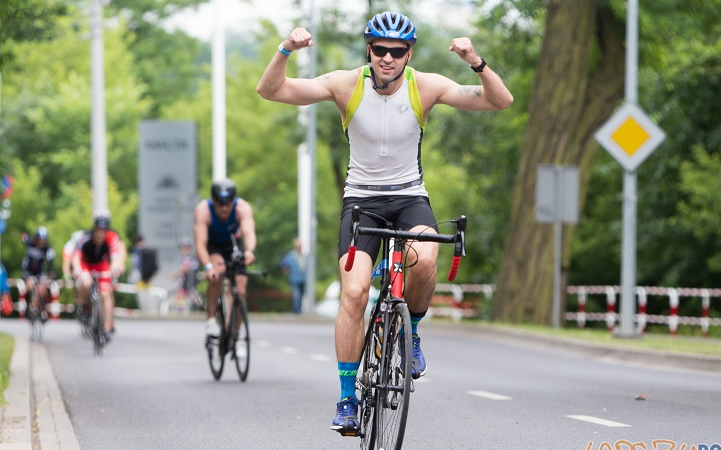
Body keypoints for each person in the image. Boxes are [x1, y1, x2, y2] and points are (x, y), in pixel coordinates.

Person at [256, 11, 513, 434]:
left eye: (397, 52)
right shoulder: (345, 84)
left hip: (410, 197)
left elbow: (500, 101)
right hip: (362, 202)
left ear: (409, 54)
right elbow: (271, 90)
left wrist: (475, 61)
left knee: (426, 259)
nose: (388, 59)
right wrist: (286, 49)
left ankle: (410, 333)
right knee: (354, 293)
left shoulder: (425, 85)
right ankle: (346, 398)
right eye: (380, 50)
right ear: (369, 50)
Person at [193, 178, 257, 343]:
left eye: (228, 203)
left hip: (234, 245)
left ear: (233, 201)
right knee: (217, 273)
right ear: (213, 200)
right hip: (213, 246)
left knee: (241, 290)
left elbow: (249, 233)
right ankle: (211, 319)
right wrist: (208, 267)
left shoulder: (242, 208)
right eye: (220, 203)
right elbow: (200, 244)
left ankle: (236, 335)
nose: (224, 208)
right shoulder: (203, 210)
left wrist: (249, 251)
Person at [72, 210, 127, 341]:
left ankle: (107, 327)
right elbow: (76, 258)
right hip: (86, 264)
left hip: (102, 264)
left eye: (104, 230)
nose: (101, 233)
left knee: (105, 293)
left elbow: (115, 257)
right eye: (98, 230)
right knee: (86, 284)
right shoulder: (85, 238)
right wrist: (79, 271)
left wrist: (115, 268)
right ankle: (84, 305)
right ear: (94, 228)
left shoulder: (112, 237)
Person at [21, 226, 56, 320]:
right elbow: (24, 237)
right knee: (29, 286)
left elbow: (51, 263)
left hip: (40, 271)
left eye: (43, 240)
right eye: (40, 239)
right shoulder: (30, 244)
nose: (41, 242)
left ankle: (42, 309)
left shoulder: (48, 249)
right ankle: (28, 306)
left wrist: (52, 274)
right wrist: (23, 235)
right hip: (28, 270)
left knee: (43, 289)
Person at [172, 237, 199, 313]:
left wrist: (176, 274)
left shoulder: (190, 258)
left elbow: (186, 268)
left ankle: (196, 309)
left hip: (190, 282)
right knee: (181, 296)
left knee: (192, 296)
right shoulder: (184, 257)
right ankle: (181, 311)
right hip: (184, 282)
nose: (184, 250)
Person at [279, 238, 306, 314]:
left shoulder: (304, 255)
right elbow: (281, 264)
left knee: (301, 295)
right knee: (296, 295)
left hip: (303, 279)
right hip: (294, 279)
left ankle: (299, 311)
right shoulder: (290, 256)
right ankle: (296, 312)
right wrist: (286, 271)